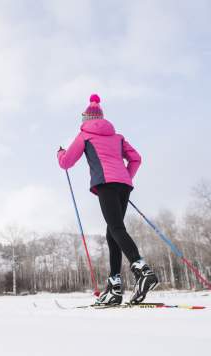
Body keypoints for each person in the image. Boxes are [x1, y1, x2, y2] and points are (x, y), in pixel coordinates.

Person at [57, 94, 158, 305]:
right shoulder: (117, 137)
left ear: (86, 119)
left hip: (106, 184)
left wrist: (60, 154)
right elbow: (136, 158)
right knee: (112, 232)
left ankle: (142, 270)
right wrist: (126, 177)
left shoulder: (84, 135)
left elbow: (66, 163)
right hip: (124, 185)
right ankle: (115, 287)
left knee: (116, 229)